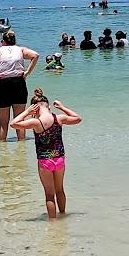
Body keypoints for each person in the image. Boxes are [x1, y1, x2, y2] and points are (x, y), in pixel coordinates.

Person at [11, 88, 83, 220]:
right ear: (48, 106)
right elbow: (78, 118)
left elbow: (13, 124)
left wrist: (26, 112)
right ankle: (62, 215)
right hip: (59, 159)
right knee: (60, 190)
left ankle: (53, 224)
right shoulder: (59, 118)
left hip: (45, 162)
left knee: (49, 195)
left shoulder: (36, 122)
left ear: (35, 110)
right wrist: (62, 107)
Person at [0, 29, 39, 141]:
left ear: (3, 41)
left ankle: (2, 148)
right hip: (18, 83)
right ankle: (21, 147)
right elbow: (35, 55)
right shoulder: (21, 49)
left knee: (3, 122)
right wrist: (27, 72)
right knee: (20, 120)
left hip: (2, 84)